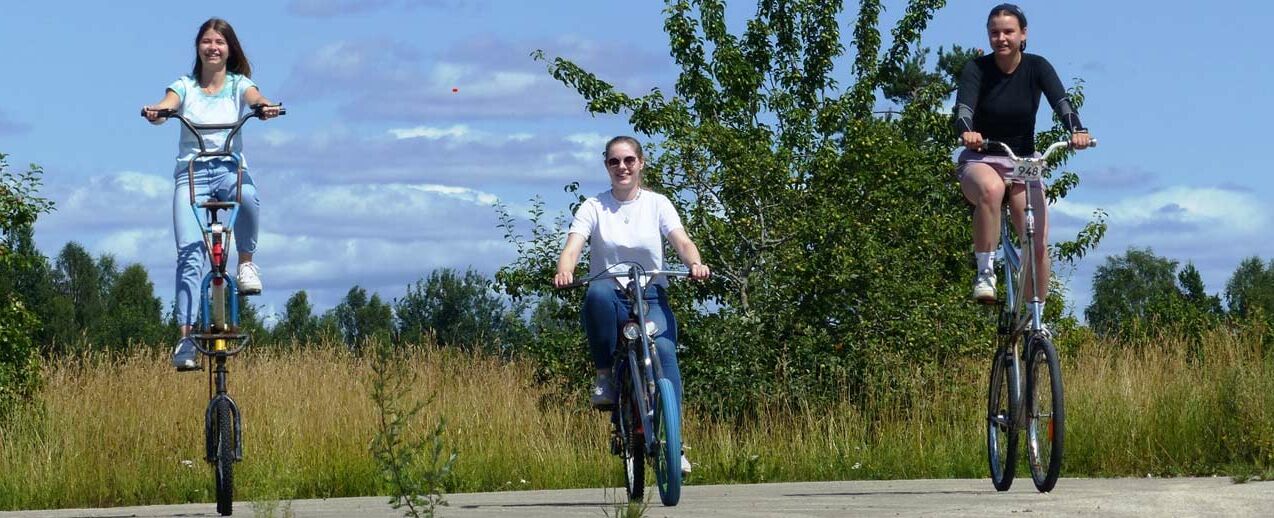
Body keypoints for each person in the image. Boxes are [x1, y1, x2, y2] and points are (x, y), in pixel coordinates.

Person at [552, 136, 710, 475]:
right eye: (614, 162)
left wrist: (695, 263)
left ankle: (675, 445)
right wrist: (565, 270)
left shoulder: (658, 203)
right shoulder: (594, 206)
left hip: (650, 293)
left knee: (665, 354)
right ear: (606, 166)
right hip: (611, 295)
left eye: (628, 160)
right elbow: (574, 245)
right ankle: (605, 376)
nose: (621, 167)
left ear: (640, 163)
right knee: (594, 294)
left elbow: (681, 240)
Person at [142, 18, 281, 371]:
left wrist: (263, 107)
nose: (213, 47)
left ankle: (246, 264)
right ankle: (186, 339)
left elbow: (255, 97)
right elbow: (169, 103)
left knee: (249, 197)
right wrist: (158, 112)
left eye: (219, 41)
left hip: (230, 170)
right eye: (207, 41)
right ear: (198, 48)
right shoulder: (185, 86)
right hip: (192, 176)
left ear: (229, 48)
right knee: (189, 255)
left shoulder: (238, 85)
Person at [954, 3, 1093, 306]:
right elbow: (963, 108)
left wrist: (1077, 130)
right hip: (982, 157)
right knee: (990, 190)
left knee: (1037, 241)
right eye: (995, 32)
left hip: (1022, 162)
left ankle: (1035, 318)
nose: (1001, 38)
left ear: (1023, 34)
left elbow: (1061, 101)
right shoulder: (976, 69)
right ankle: (985, 273)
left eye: (1008, 31)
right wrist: (968, 131)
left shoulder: (1037, 67)